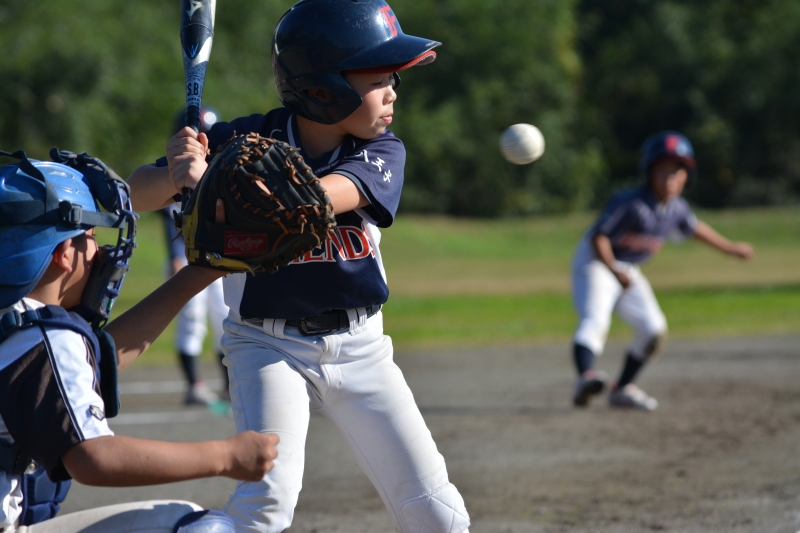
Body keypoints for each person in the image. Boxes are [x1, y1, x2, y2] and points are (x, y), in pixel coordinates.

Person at [126, 1, 471, 532]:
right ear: (324, 88)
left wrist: (219, 182)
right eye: (379, 80)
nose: (392, 93)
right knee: (266, 505)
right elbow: (135, 193)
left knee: (438, 512)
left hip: (362, 348)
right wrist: (177, 173)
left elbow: (314, 200)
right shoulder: (242, 141)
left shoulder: (381, 151)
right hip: (267, 346)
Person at [0, 150, 278, 532]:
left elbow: (91, 363)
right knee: (200, 527)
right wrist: (225, 456)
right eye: (91, 237)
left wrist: (202, 271)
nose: (99, 251)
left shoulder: (17, 324)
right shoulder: (44, 337)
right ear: (64, 253)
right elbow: (93, 458)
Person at [570, 131, 754, 411]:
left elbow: (695, 229)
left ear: (687, 176)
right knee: (595, 319)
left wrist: (729, 248)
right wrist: (614, 270)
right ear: (649, 173)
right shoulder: (631, 202)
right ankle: (586, 377)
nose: (670, 177)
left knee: (653, 330)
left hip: (626, 267)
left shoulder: (676, 208)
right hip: (596, 261)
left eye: (677, 170)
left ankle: (622, 389)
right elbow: (599, 237)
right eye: (662, 170)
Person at [161, 107, 230, 405]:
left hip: (218, 260)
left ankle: (229, 384)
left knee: (224, 317)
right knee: (193, 320)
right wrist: (176, 256)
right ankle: (194, 384)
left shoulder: (223, 169)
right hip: (187, 258)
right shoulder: (177, 172)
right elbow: (170, 220)